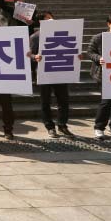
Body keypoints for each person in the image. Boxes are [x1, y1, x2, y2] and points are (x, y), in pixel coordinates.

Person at [30, 11, 75, 139]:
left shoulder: (62, 34)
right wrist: (35, 57)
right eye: (47, 19)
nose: (51, 20)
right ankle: (50, 127)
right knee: (45, 102)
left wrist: (76, 56)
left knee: (63, 100)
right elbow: (28, 54)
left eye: (51, 18)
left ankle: (62, 125)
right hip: (44, 73)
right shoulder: (35, 37)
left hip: (60, 71)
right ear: (40, 22)